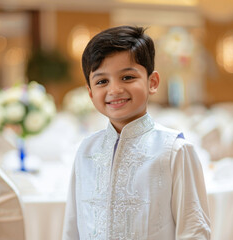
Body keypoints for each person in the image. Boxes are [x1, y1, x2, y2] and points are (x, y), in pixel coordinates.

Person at [63, 25, 210, 239]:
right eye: (102, 81)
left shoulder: (175, 150)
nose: (114, 90)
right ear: (90, 93)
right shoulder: (86, 149)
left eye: (127, 77)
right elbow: (72, 227)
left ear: (152, 82)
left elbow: (194, 229)